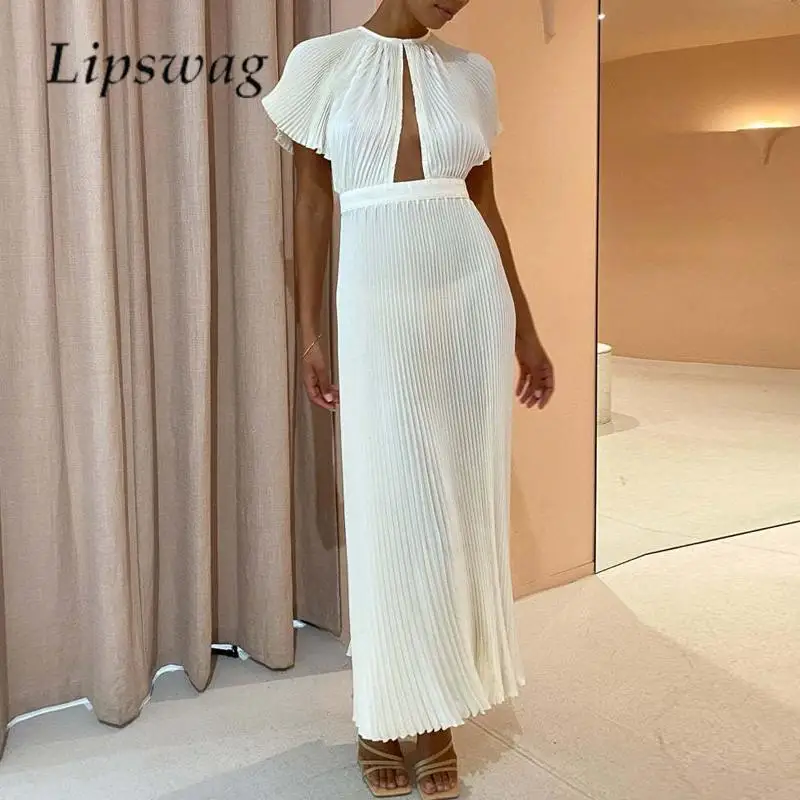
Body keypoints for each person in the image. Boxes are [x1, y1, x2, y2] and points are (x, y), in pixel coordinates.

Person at [262, 1, 554, 796]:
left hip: (467, 294)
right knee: (391, 508)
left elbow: (484, 203)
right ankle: (384, 712)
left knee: (457, 505)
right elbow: (312, 202)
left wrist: (526, 330)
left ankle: (437, 714)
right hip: (376, 294)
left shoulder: (472, 73)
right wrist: (311, 333)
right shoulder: (321, 63)